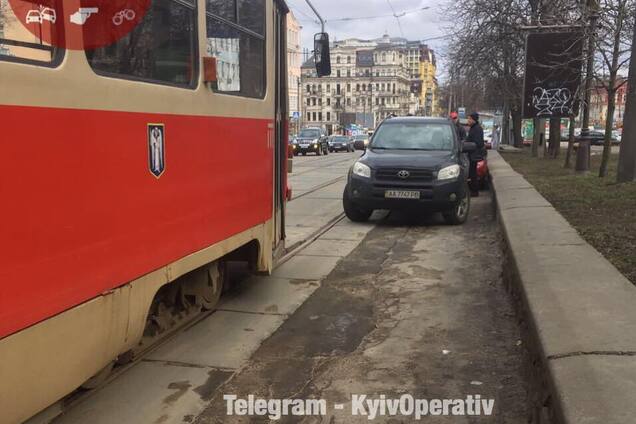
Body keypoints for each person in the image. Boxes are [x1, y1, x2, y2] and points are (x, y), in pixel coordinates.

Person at [466, 112, 485, 196]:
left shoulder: (477, 129)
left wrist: (469, 145)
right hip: (471, 154)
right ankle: (472, 190)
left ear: (473, 119)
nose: (468, 120)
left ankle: (474, 191)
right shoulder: (473, 128)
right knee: (471, 173)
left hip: (474, 154)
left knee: (473, 173)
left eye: (469, 118)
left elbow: (478, 143)